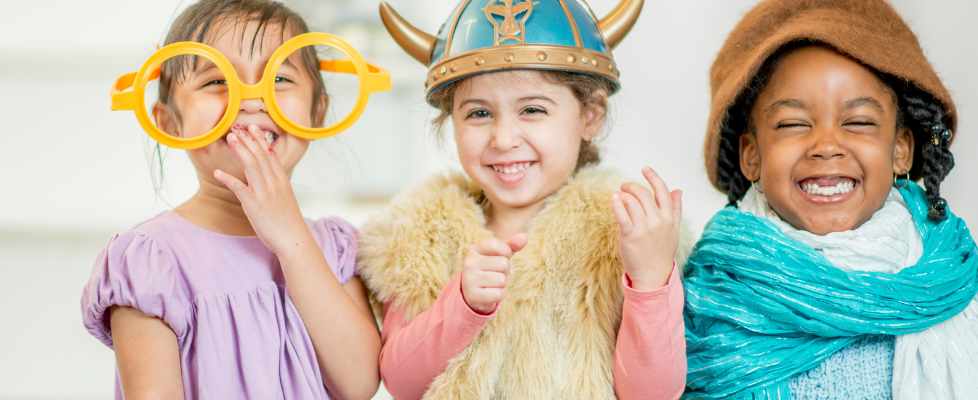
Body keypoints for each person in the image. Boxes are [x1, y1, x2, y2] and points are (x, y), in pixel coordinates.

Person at [682, 0, 978, 399]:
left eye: (858, 122)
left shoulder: (974, 296)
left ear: (901, 150)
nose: (826, 145)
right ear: (750, 155)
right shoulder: (712, 303)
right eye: (792, 123)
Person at [357, 0, 690, 398]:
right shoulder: (417, 239)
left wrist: (650, 280)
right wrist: (461, 304)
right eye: (479, 114)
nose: (502, 138)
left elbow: (653, 394)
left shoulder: (624, 233)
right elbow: (400, 383)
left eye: (532, 109)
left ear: (590, 116)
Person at [81, 1, 381, 398]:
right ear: (169, 122)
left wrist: (291, 236)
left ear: (318, 112)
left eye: (280, 79)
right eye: (216, 81)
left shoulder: (334, 247)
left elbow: (359, 383)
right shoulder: (150, 261)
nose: (252, 100)